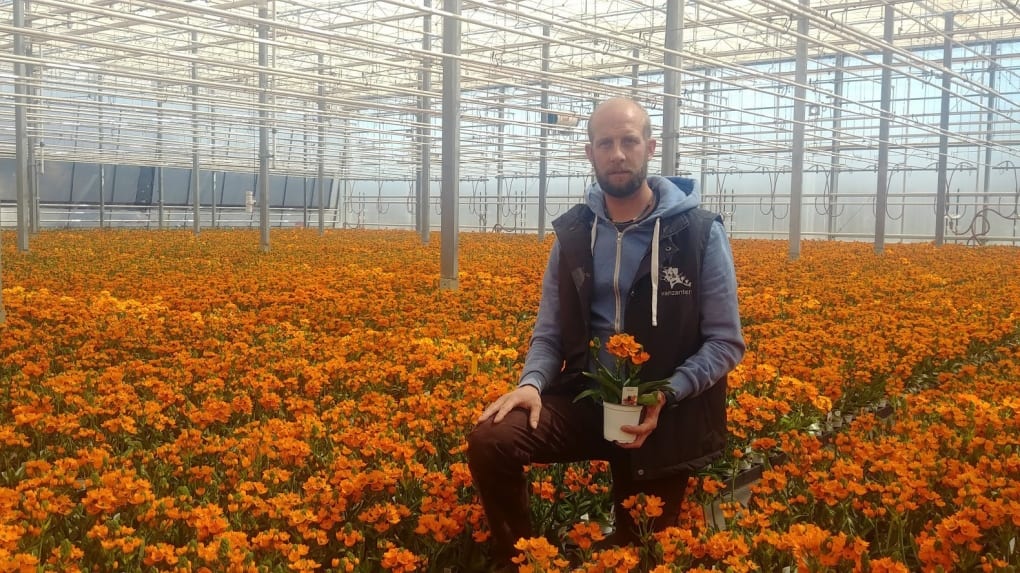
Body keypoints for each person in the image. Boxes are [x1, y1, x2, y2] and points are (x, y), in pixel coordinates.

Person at [466, 97, 745, 567]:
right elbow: (549, 331)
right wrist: (531, 384)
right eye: (606, 143)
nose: (618, 153)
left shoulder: (698, 233)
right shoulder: (574, 234)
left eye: (629, 141)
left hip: (660, 417)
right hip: (586, 400)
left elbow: (725, 341)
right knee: (491, 439)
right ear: (590, 153)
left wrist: (667, 393)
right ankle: (521, 557)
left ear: (650, 148)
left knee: (639, 555)